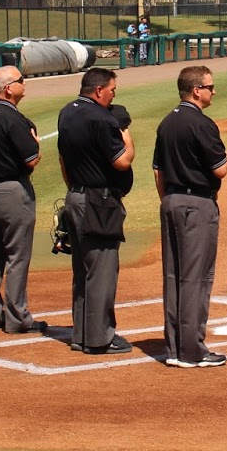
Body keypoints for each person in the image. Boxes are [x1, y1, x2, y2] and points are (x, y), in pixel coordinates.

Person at [152, 65, 227, 369]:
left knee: (174, 277)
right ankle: (191, 351)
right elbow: (220, 169)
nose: (214, 91)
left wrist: (169, 201)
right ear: (196, 91)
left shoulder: (166, 122)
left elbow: (158, 171)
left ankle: (174, 347)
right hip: (196, 204)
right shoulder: (202, 124)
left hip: (171, 201)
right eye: (210, 87)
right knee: (196, 278)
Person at [55, 67, 135, 355]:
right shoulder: (101, 118)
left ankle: (81, 334)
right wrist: (127, 138)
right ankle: (100, 338)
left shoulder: (66, 112)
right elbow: (122, 161)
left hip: (75, 196)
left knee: (83, 269)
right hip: (98, 202)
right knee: (102, 270)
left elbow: (63, 159)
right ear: (99, 90)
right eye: (112, 90)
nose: (114, 94)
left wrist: (74, 191)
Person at [0, 66, 45, 334]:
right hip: (12, 193)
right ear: (8, 89)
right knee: (17, 255)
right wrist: (36, 144)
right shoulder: (13, 119)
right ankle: (18, 318)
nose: (25, 84)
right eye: (21, 81)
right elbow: (31, 159)